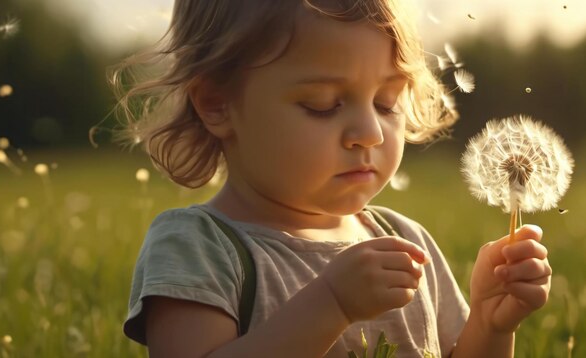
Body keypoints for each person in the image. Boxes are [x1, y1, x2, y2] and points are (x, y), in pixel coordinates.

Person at [112, 0, 552, 357]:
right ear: (216, 104)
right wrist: (331, 304)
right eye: (323, 104)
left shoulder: (405, 241)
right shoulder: (198, 250)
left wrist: (491, 323)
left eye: (386, 102)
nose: (371, 133)